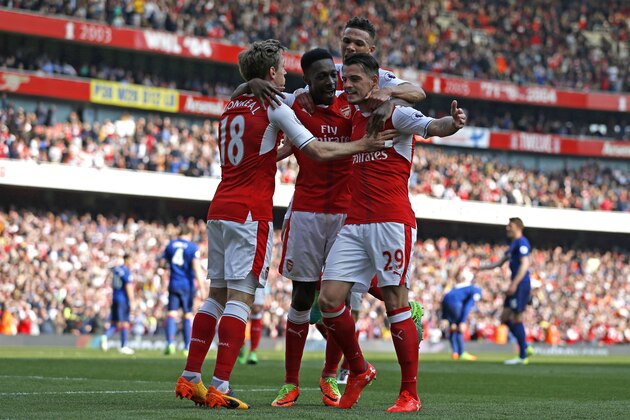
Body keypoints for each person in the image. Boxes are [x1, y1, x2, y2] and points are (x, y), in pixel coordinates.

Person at [174, 39, 398, 410]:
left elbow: (256, 127)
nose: (284, 75)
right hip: (252, 211)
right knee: (242, 298)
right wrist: (365, 144)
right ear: (271, 74)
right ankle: (220, 384)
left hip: (221, 206)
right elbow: (315, 150)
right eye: (280, 69)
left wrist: (248, 84)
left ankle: (191, 376)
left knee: (216, 294)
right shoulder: (279, 105)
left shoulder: (231, 104)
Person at [318, 53, 466, 412]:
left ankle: (409, 394)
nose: (348, 85)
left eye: (355, 79)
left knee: (396, 302)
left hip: (391, 221)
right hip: (355, 223)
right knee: (328, 300)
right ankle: (359, 369)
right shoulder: (352, 117)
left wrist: (455, 122)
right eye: (345, 80)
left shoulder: (394, 113)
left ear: (374, 82)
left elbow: (432, 125)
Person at [474, 217, 534, 365]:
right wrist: (481, 268)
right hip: (516, 284)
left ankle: (522, 356)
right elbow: (499, 263)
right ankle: (525, 347)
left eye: (510, 225)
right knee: (504, 317)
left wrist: (514, 284)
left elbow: (525, 264)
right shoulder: (513, 245)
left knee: (516, 318)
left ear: (518, 227)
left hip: (521, 284)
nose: (507, 228)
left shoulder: (522, 242)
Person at [161, 225, 205, 356]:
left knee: (171, 314)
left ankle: (170, 343)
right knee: (187, 314)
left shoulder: (170, 245)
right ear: (189, 235)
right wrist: (202, 287)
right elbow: (196, 267)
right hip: (187, 284)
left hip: (174, 282)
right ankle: (186, 347)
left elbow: (162, 264)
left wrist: (171, 266)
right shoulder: (192, 247)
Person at [441, 268, 482, 361]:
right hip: (456, 305)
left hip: (447, 303)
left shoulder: (455, 288)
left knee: (453, 327)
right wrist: (463, 321)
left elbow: (445, 298)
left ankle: (455, 352)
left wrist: (444, 316)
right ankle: (461, 352)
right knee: (459, 328)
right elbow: (468, 305)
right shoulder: (474, 289)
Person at [101, 254, 135, 354]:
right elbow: (128, 286)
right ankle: (123, 346)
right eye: (131, 261)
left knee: (115, 322)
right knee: (125, 322)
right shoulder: (126, 271)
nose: (132, 263)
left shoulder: (116, 270)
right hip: (123, 299)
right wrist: (132, 301)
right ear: (127, 260)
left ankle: (105, 336)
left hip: (115, 298)